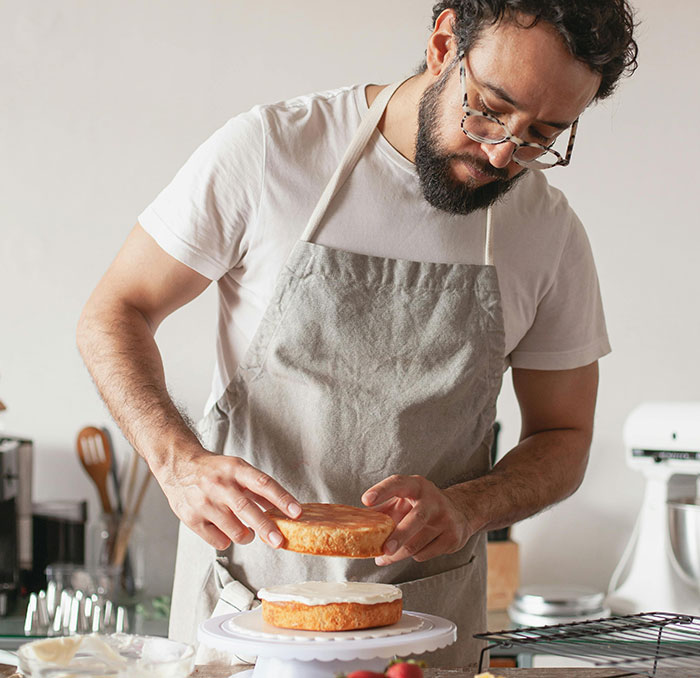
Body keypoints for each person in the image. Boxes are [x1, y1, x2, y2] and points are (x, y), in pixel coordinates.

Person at [77, 0, 638, 668]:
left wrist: (469, 505)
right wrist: (177, 463)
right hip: (246, 614)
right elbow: (114, 311)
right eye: (489, 108)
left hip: (430, 635)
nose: (501, 152)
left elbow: (564, 436)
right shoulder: (271, 152)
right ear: (443, 43)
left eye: (542, 135)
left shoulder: (548, 232)